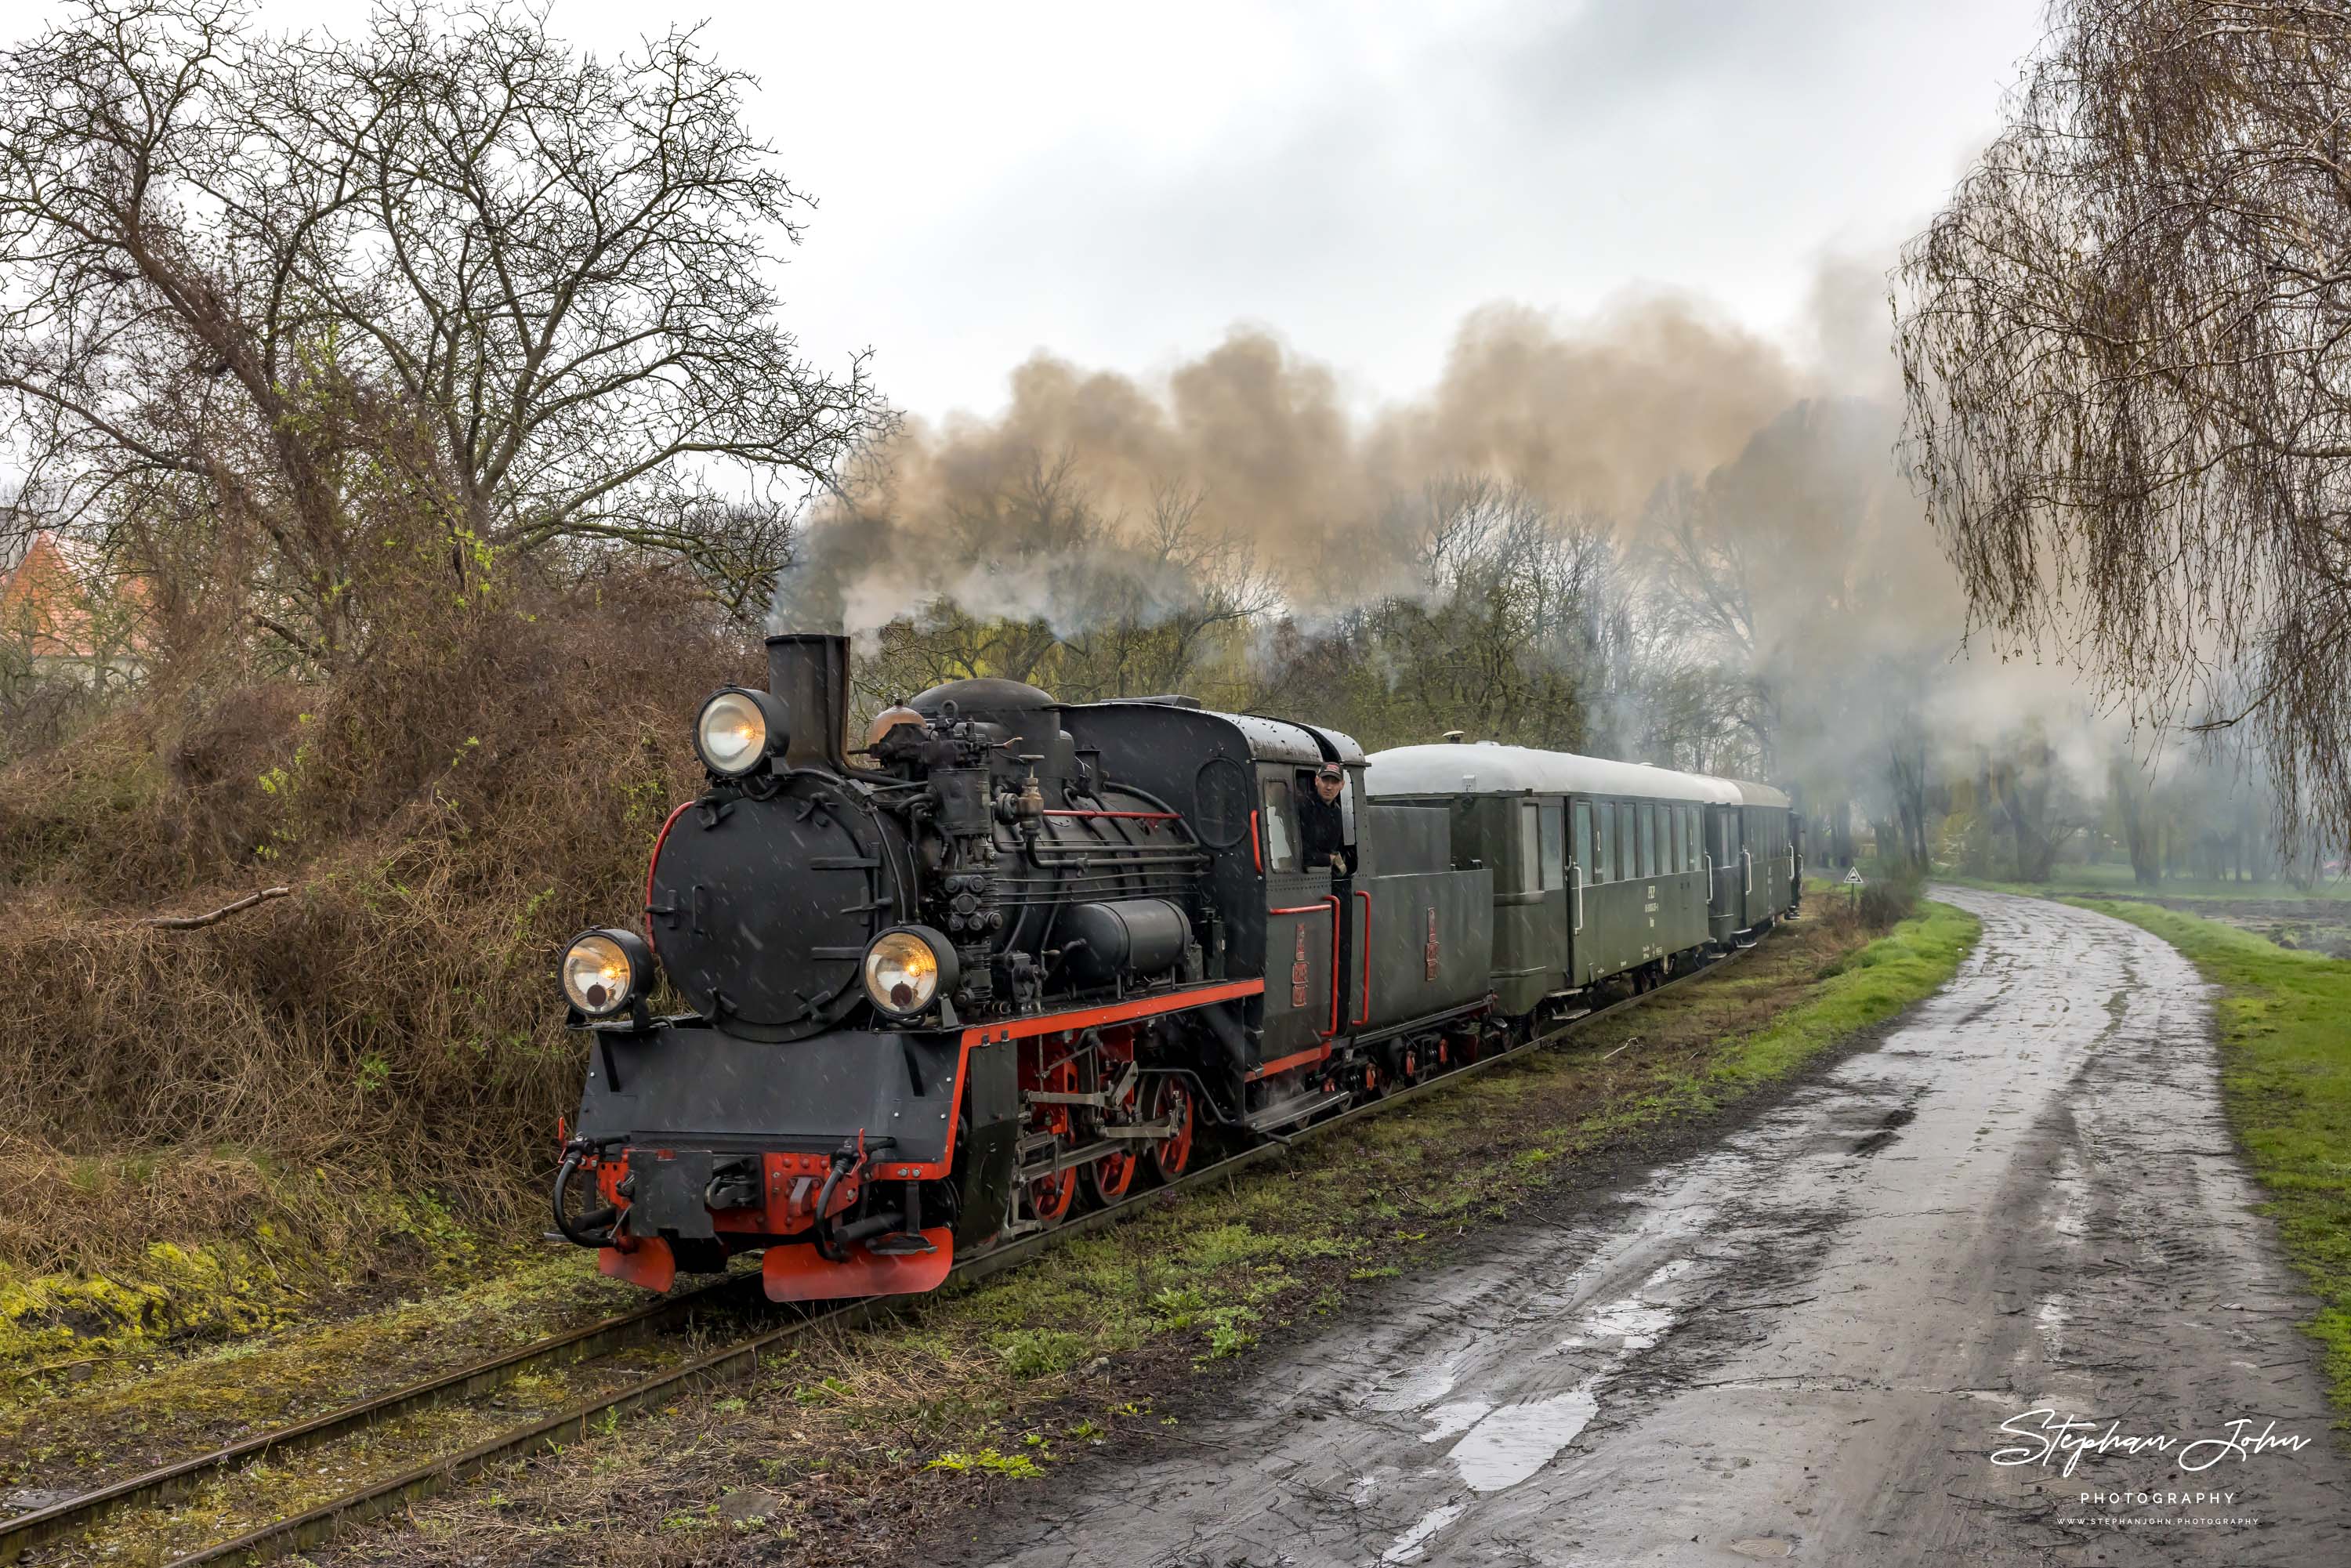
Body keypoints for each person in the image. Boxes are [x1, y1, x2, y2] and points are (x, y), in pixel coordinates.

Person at [1298, 762, 1350, 876]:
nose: (1329, 787)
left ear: (1342, 785)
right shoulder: (1302, 806)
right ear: (1317, 781)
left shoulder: (1337, 811)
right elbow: (1298, 853)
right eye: (1325, 780)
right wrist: (1329, 859)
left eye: (1335, 782)